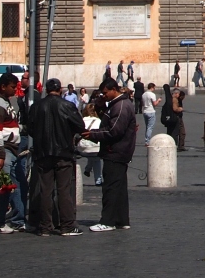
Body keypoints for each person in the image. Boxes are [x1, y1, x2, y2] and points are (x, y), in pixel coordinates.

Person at [29, 77, 84, 236]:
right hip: (63, 153)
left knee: (45, 191)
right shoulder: (67, 105)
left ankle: (45, 226)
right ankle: (66, 225)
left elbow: (30, 128)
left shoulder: (37, 106)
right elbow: (80, 126)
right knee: (64, 190)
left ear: (46, 90)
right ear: (60, 90)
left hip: (43, 153)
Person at [82, 78, 137, 232]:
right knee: (119, 187)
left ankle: (108, 221)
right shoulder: (117, 105)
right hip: (119, 151)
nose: (104, 95)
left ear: (114, 89)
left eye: (105, 93)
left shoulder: (120, 106)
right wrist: (100, 107)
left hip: (116, 151)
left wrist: (92, 134)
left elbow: (114, 131)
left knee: (111, 187)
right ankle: (121, 219)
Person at [0, 73, 27, 233]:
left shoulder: (6, 102)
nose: (15, 89)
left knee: (18, 184)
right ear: (3, 86)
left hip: (12, 149)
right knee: (2, 187)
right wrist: (1, 155)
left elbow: (10, 126)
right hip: (4, 150)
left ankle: (18, 220)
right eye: (12, 86)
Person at [79, 102, 102, 185]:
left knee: (92, 155)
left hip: (82, 146)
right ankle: (98, 179)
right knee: (96, 158)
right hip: (96, 146)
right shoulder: (99, 121)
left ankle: (88, 169)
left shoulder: (81, 121)